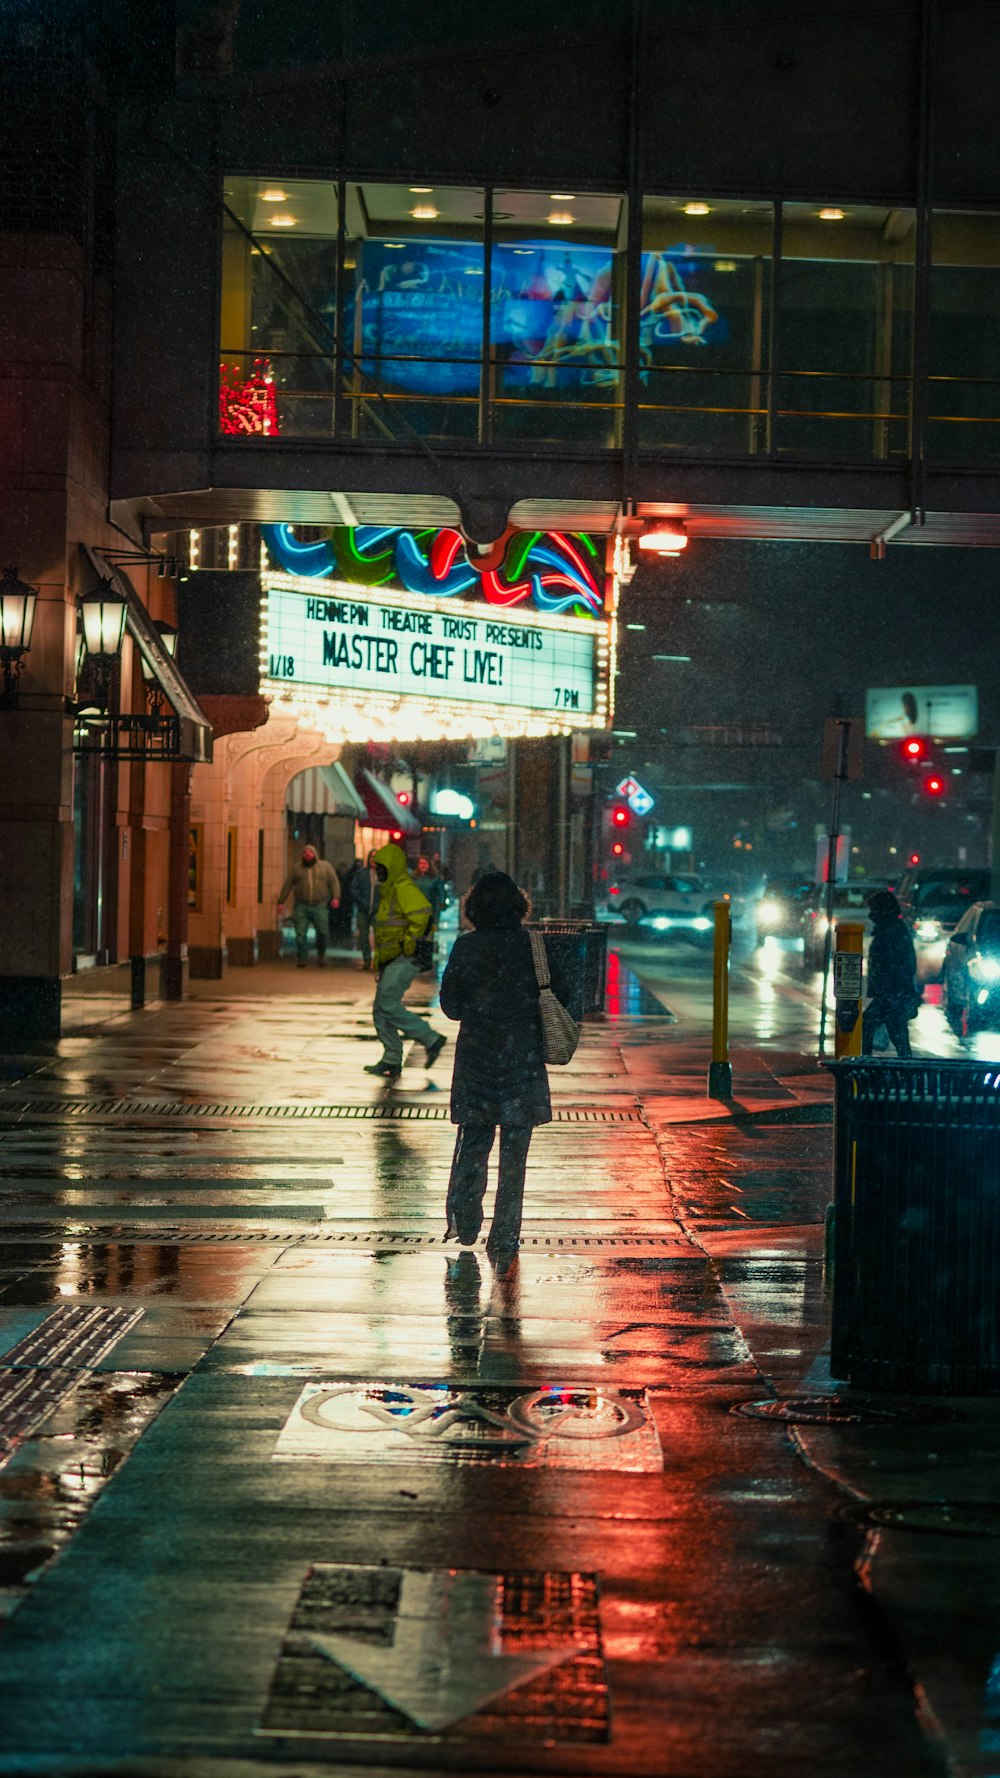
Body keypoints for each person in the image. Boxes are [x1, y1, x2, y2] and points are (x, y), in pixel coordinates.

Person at [438, 870, 570, 1262]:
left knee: (474, 1143)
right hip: (522, 1064)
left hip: (478, 1061)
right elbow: (560, 994)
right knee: (515, 1155)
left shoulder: (466, 947)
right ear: (519, 906)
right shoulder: (535, 947)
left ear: (474, 908)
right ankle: (505, 1233)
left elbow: (451, 1006)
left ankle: (466, 1219)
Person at [365, 842, 447, 1081]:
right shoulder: (390, 890)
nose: (377, 872)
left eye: (380, 868)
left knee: (386, 1005)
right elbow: (385, 932)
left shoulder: (402, 888)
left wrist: (408, 945)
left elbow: (422, 917)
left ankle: (430, 1039)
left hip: (403, 957)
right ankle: (391, 1059)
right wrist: (381, 962)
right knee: (381, 1009)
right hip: (394, 958)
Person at [862, 889, 919, 1059]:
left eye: (874, 909)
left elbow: (896, 964)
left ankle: (865, 1065)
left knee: (868, 1026)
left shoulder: (890, 931)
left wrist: (891, 992)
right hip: (892, 993)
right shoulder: (892, 928)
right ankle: (906, 1069)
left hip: (891, 994)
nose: (871, 914)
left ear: (882, 909)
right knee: (897, 1033)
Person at [277, 846, 340, 969]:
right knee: (300, 934)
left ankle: (321, 955)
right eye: (305, 852)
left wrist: (336, 897)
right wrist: (281, 901)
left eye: (310, 852)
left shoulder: (325, 867)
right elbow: (288, 884)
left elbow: (334, 882)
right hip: (302, 905)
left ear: (315, 854)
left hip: (320, 905)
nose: (308, 854)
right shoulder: (296, 869)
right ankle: (302, 958)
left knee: (323, 932)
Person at [351, 849, 378, 970]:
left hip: (378, 912)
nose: (374, 860)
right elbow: (353, 890)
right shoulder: (361, 873)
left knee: (380, 937)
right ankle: (367, 959)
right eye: (372, 857)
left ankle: (378, 960)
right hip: (363, 910)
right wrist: (362, 902)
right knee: (363, 936)